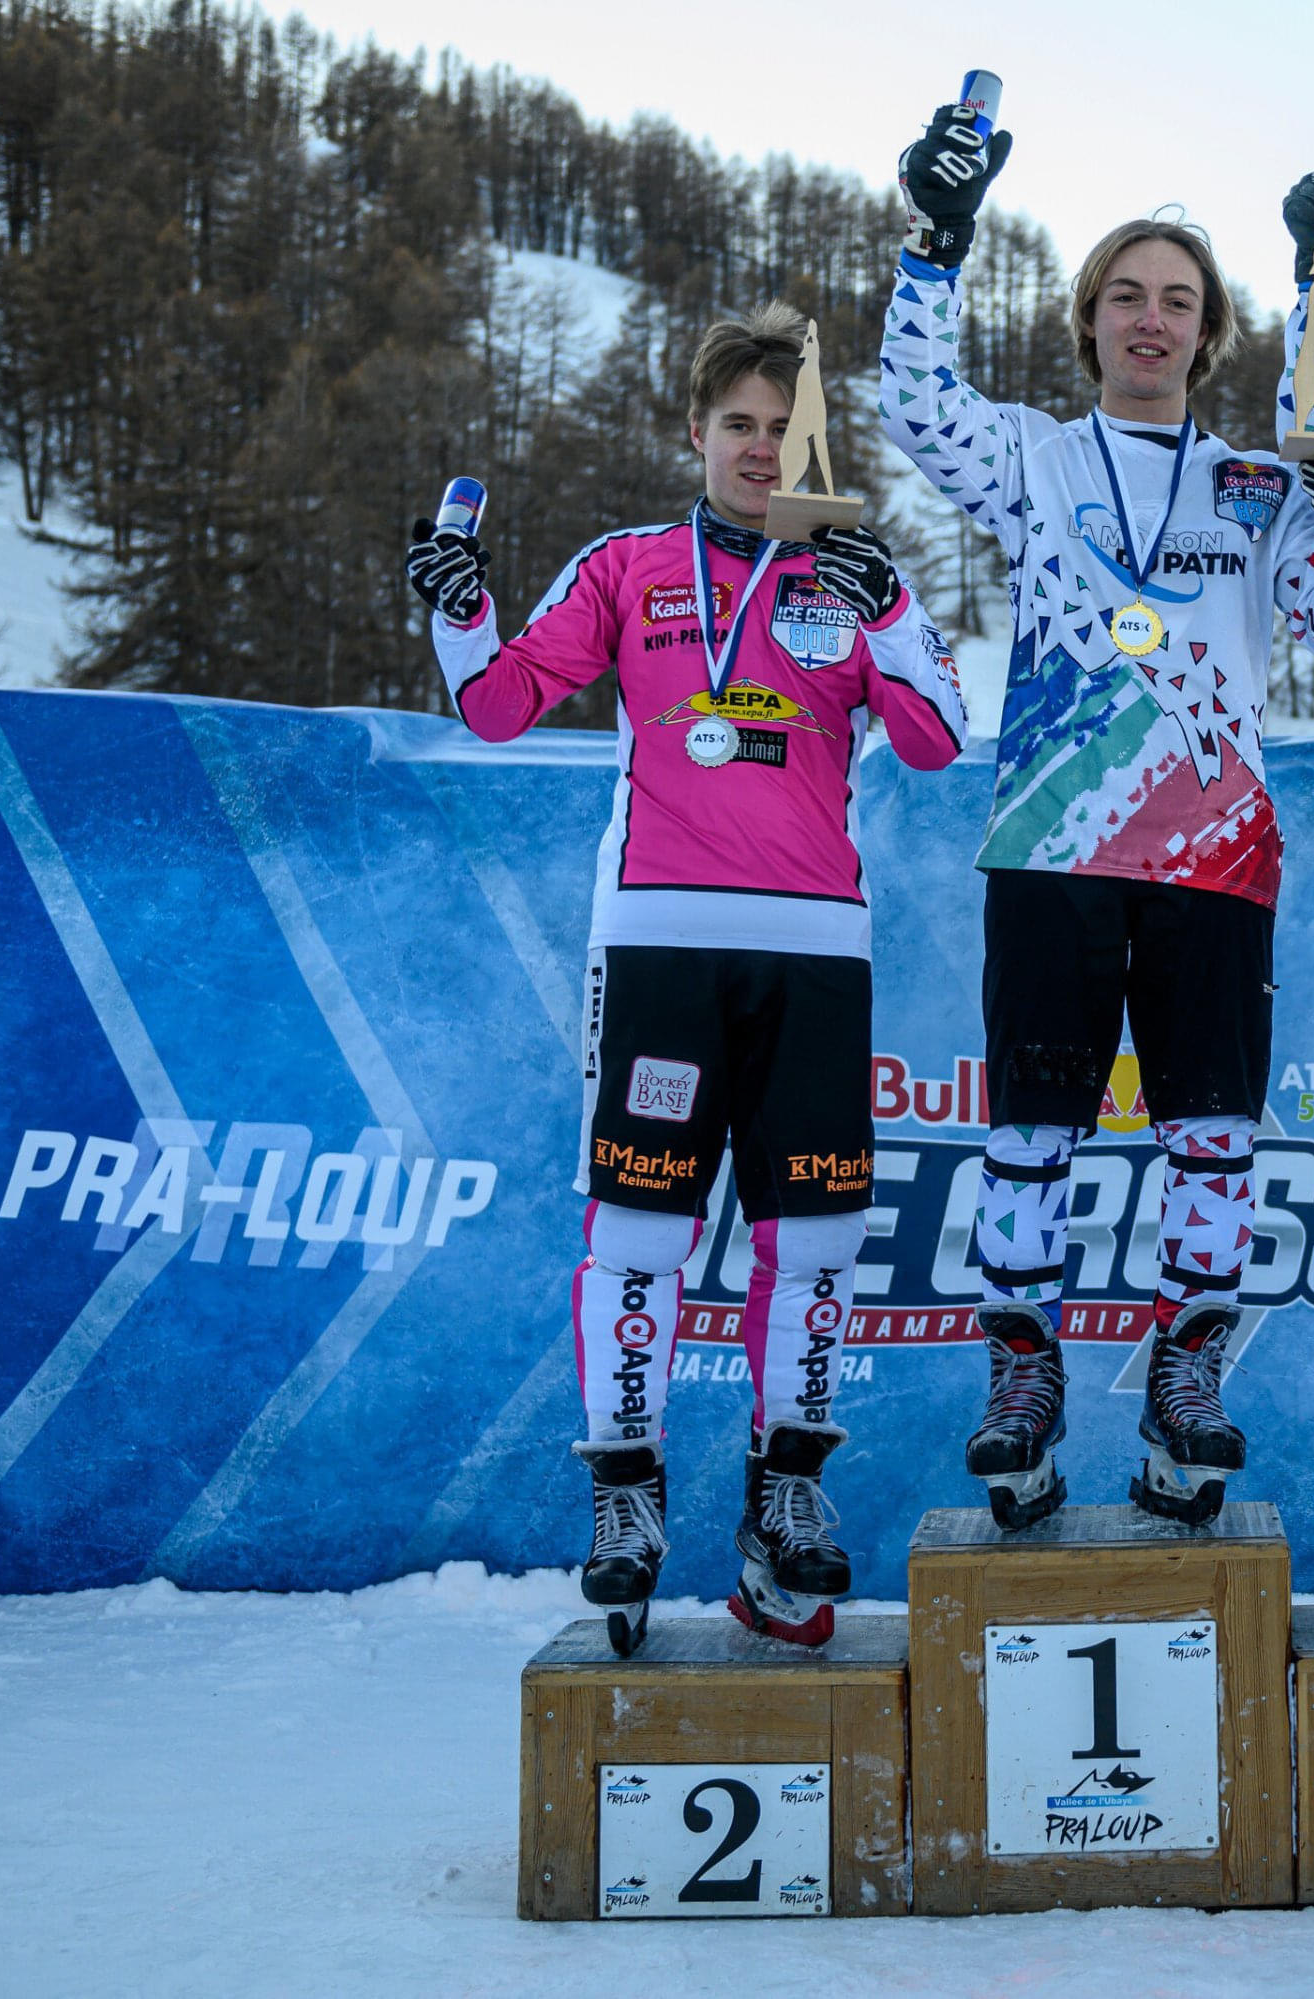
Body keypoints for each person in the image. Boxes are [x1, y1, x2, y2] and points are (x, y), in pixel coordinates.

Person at [404, 302, 966, 1651]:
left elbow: (939, 740)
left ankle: (789, 1498)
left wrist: (889, 616)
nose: (763, 451)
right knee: (643, 1237)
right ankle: (628, 1496)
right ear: (697, 433)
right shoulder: (630, 566)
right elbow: (496, 704)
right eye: (739, 427)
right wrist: (464, 612)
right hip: (662, 938)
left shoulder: (852, 587)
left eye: (786, 428)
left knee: (818, 1242)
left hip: (816, 949)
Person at [879, 101, 1314, 1527]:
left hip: (1213, 853)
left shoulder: (1255, 481)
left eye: (1178, 299)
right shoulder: (1040, 461)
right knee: (1032, 1134)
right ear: (1089, 322)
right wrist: (936, 245)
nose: (1152, 319)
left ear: (1212, 332)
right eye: (1127, 296)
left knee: (1214, 1133)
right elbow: (915, 407)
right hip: (1054, 841)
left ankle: (1186, 1370)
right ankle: (1024, 1373)